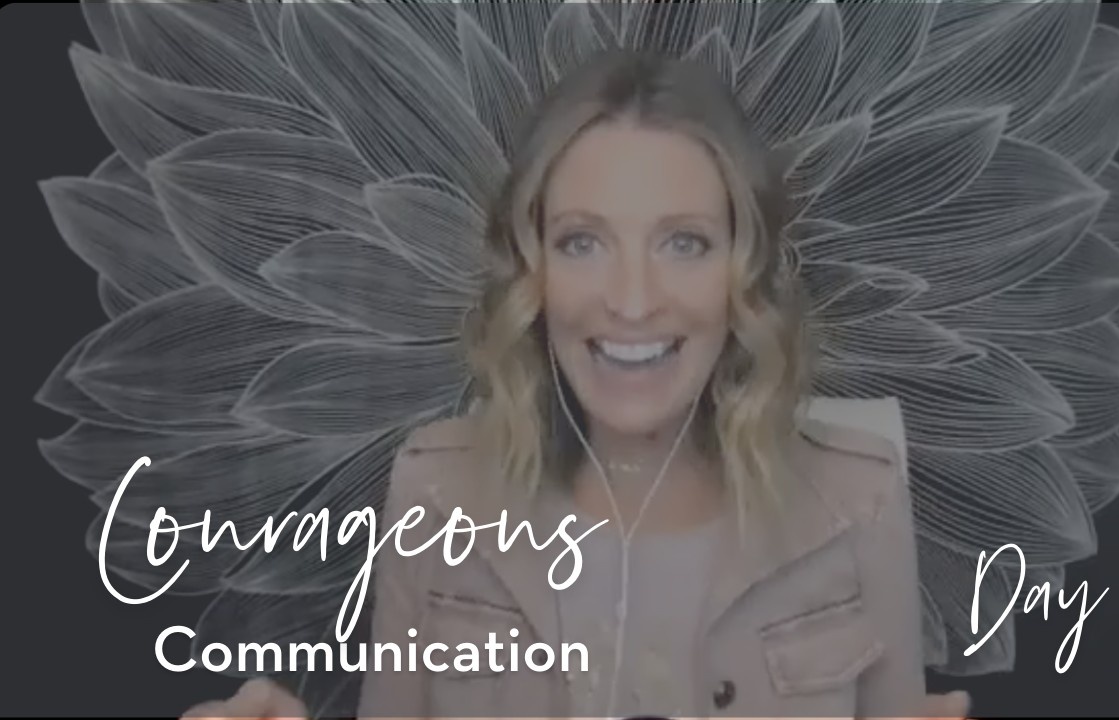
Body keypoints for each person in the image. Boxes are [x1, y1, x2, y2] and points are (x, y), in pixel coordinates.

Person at [182, 49, 972, 720]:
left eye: (685, 243)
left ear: (745, 275)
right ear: (533, 272)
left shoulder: (859, 500)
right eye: (583, 242)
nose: (631, 300)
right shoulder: (435, 493)